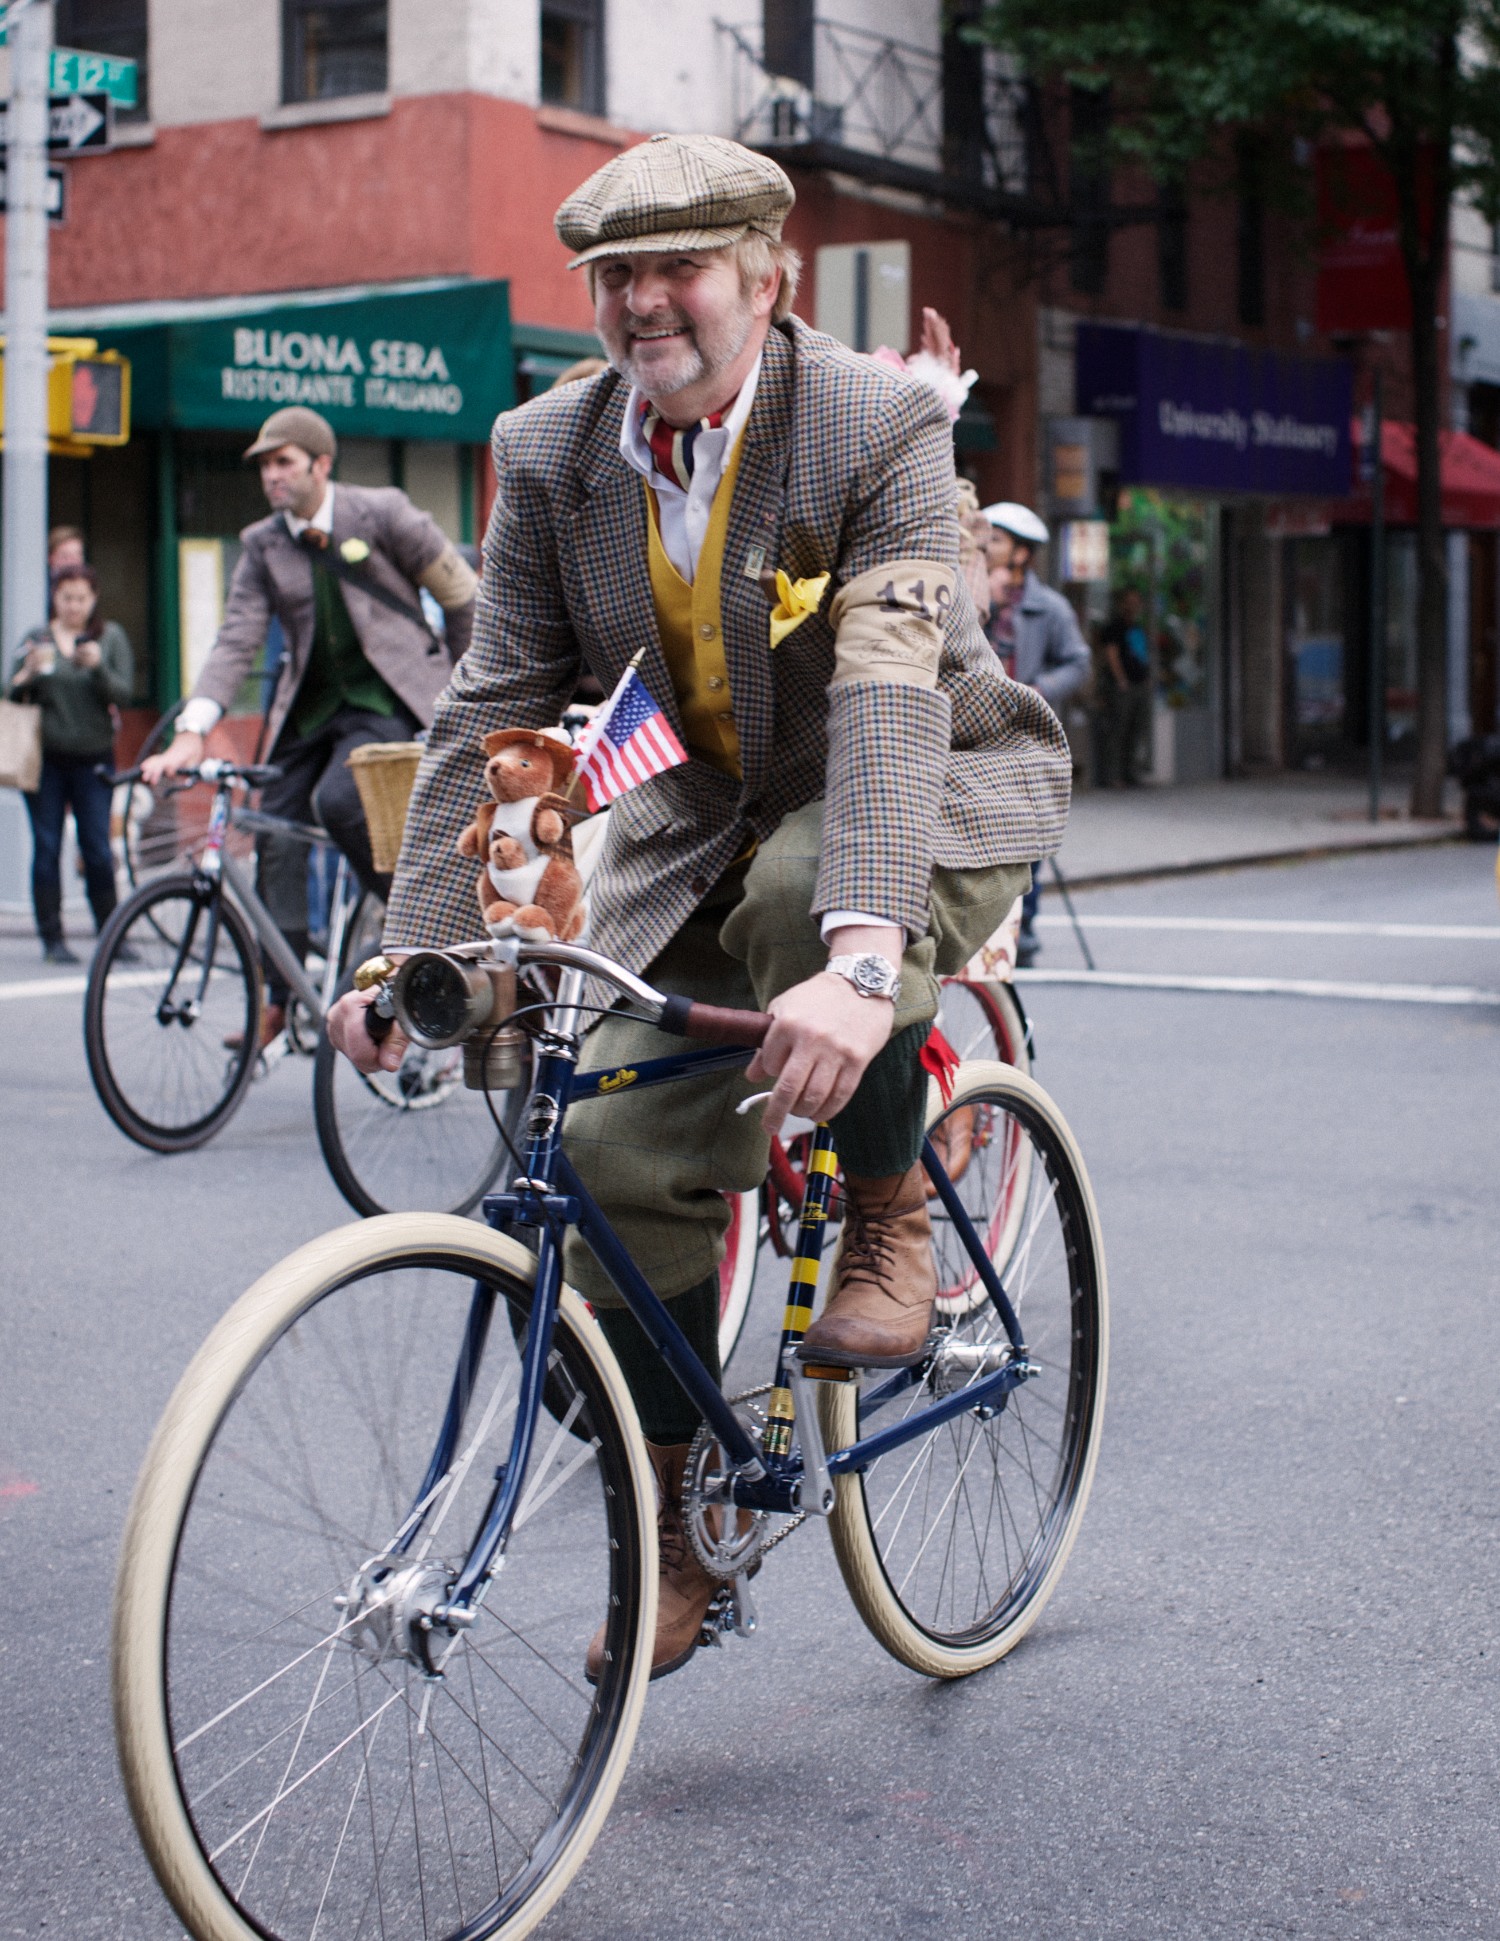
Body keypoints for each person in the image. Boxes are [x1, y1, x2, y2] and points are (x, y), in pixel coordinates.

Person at [329, 132, 1070, 1677]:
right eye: (615, 276)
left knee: (815, 895)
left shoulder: (871, 425)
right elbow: (501, 707)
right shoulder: (550, 446)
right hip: (698, 817)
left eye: (679, 270)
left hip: (925, 790)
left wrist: (865, 960)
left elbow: (882, 699)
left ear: (764, 278)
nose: (643, 303)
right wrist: (429, 947)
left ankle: (890, 1216)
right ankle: (672, 1534)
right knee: (598, 1152)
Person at [143, 406, 479, 1044]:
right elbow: (235, 639)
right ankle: (281, 991)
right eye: (265, 465)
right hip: (310, 711)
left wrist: (467, 691)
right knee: (272, 827)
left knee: (339, 801)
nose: (272, 475)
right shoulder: (263, 544)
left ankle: (421, 932)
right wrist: (193, 726)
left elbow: (462, 596)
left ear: (321, 464)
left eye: (284, 462)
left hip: (384, 703)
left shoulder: (382, 514)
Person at [980, 502, 1091, 967]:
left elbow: (1078, 662)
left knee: (1029, 840)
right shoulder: (968, 588)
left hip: (1026, 740)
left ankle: (1023, 931)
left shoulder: (1051, 607)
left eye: (997, 539)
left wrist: (1038, 691)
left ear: (1021, 553)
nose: (986, 545)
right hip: (978, 738)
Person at [8, 564, 132, 962]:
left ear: (93, 599)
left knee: (96, 846)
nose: (74, 605)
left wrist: (97, 668)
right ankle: (52, 937)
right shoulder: (37, 639)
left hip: (94, 759)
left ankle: (111, 933)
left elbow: (124, 693)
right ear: (55, 598)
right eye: (66, 597)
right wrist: (25, 673)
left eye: (81, 598)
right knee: (46, 847)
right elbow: (6, 692)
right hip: (45, 761)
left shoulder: (108, 638)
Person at [1097, 585, 1152, 786]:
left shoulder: (1138, 628)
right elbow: (1111, 655)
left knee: (1135, 731)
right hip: (1122, 687)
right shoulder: (1114, 627)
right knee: (1118, 730)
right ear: (1121, 604)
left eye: (1137, 602)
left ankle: (1130, 772)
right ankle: (1114, 776)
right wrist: (1121, 680)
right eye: (1130, 602)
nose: (1134, 606)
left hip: (1139, 685)